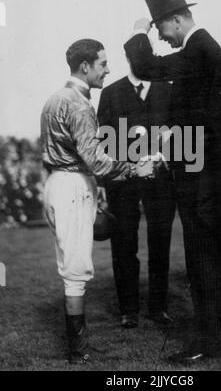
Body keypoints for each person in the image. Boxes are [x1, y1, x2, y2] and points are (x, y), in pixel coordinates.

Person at [124, 0, 221, 365]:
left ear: (175, 20)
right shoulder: (205, 50)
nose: (161, 38)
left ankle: (212, 340)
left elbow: (145, 65)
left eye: (160, 28)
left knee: (204, 260)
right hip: (219, 177)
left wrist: (138, 31)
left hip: (204, 183)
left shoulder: (198, 48)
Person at [41, 39, 154, 364]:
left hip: (59, 184)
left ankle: (81, 347)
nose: (108, 69)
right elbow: (97, 161)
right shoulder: (77, 103)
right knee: (76, 271)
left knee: (71, 266)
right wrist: (135, 167)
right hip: (73, 187)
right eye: (103, 64)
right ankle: (78, 352)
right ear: (85, 67)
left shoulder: (55, 98)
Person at [97, 54, 176, 328]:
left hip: (162, 179)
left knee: (160, 242)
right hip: (123, 182)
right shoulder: (110, 93)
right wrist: (130, 165)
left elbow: (179, 132)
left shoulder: (168, 88)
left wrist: (159, 158)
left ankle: (158, 307)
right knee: (123, 244)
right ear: (129, 57)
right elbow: (104, 142)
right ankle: (129, 309)